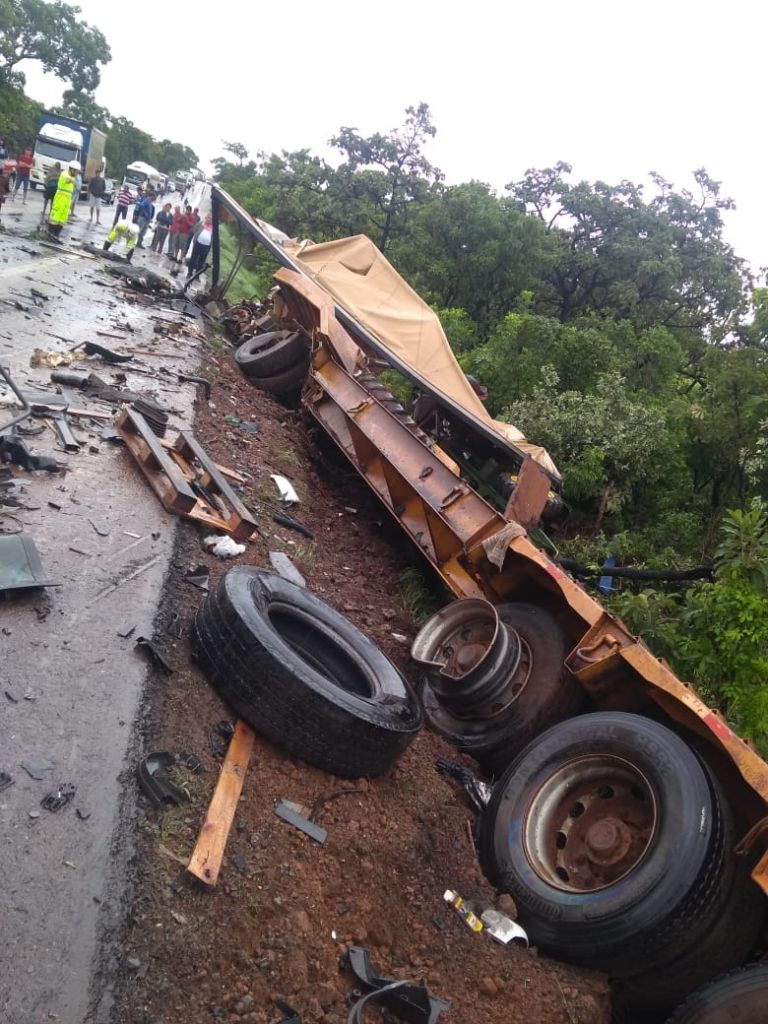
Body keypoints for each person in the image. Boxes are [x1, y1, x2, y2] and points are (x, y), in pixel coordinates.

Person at [48, 160, 79, 239]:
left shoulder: (73, 177)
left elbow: (77, 186)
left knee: (62, 219)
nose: (76, 173)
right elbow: (68, 180)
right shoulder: (65, 174)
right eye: (76, 171)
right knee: (55, 218)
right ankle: (51, 233)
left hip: (66, 201)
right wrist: (73, 181)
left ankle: (57, 235)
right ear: (72, 169)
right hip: (60, 199)